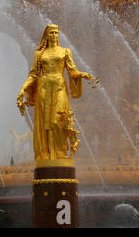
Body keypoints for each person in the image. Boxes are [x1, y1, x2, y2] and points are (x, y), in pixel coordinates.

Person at [16, 24, 92, 162]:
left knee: (59, 120)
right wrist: (23, 88)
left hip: (59, 87)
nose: (54, 35)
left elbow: (72, 71)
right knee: (46, 122)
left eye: (56, 33)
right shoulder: (39, 54)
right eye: (51, 33)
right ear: (46, 35)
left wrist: (81, 74)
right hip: (44, 88)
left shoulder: (65, 51)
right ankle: (47, 154)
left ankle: (61, 153)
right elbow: (33, 74)